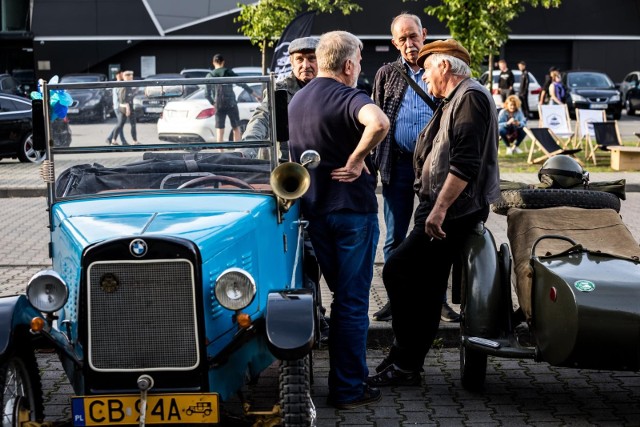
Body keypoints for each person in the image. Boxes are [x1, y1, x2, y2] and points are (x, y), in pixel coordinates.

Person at [367, 39, 500, 387]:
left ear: (444, 67)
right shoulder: (454, 99)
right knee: (425, 289)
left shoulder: (469, 98)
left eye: (427, 71)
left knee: (397, 271)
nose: (424, 79)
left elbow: (465, 163)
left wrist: (438, 210)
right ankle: (406, 362)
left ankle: (405, 355)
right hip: (442, 209)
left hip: (453, 213)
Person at [288, 30, 390, 409]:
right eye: (360, 62)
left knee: (337, 300)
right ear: (348, 64)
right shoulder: (351, 96)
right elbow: (378, 123)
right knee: (350, 303)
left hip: (314, 214)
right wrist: (357, 158)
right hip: (351, 214)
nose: (359, 68)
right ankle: (348, 388)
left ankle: (346, 378)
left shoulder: (298, 100)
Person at [370, 13, 459, 324]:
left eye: (414, 36)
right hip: (398, 166)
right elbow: (376, 118)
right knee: (394, 236)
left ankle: (439, 302)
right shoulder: (386, 73)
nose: (410, 43)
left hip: (435, 170)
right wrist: (370, 162)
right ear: (395, 42)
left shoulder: (442, 67)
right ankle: (396, 300)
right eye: (403, 39)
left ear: (424, 33)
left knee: (436, 233)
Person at [242, 36, 319, 159]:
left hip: (321, 162)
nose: (306, 65)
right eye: (299, 59)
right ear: (291, 62)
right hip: (287, 164)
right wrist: (248, 150)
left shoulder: (330, 90)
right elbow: (262, 118)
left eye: (311, 58)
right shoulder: (280, 90)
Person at [205, 53, 260, 142]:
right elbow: (242, 84)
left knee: (220, 129)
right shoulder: (228, 72)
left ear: (213, 62)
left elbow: (206, 94)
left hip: (218, 105)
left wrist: (214, 103)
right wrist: (256, 95)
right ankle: (237, 149)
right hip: (231, 104)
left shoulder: (210, 75)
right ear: (223, 62)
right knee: (236, 127)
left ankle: (220, 152)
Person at [114, 70, 139, 145]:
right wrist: (127, 108)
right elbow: (122, 99)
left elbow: (130, 96)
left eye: (131, 75)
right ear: (125, 77)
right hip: (124, 108)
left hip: (128, 107)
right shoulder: (124, 85)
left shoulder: (129, 85)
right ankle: (113, 140)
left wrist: (135, 91)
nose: (131, 76)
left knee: (131, 124)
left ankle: (135, 141)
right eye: (128, 75)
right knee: (121, 124)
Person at [106, 69, 127, 145]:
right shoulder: (117, 84)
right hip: (118, 106)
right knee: (120, 124)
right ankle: (121, 141)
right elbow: (118, 96)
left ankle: (110, 138)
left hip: (118, 106)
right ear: (117, 75)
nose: (121, 75)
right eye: (120, 74)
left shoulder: (120, 83)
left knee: (119, 124)